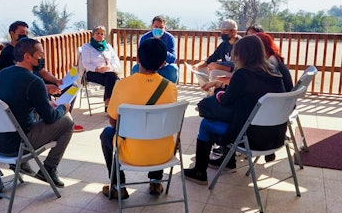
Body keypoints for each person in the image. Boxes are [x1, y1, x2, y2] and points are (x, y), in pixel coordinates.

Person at [184, 35, 287, 184]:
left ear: (242, 55)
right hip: (275, 136)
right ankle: (228, 160)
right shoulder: (275, 73)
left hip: (250, 137)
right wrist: (221, 85)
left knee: (207, 123)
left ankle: (200, 171)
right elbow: (245, 92)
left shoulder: (243, 74)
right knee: (230, 115)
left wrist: (217, 90)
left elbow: (225, 100)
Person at [0, 38, 75, 188]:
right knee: (67, 122)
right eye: (40, 54)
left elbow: (17, 101)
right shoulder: (34, 81)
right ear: (28, 57)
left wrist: (44, 102)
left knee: (33, 114)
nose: (42, 58)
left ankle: (21, 165)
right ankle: (49, 168)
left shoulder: (2, 74)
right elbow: (50, 117)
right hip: (16, 144)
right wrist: (64, 108)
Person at [98, 37, 178, 200]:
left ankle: (117, 186)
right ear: (163, 64)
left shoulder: (122, 85)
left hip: (132, 155)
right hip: (164, 153)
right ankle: (156, 181)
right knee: (157, 131)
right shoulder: (171, 88)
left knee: (106, 134)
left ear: (138, 59)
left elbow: (114, 122)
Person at [81, 25, 123, 110]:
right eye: (97, 33)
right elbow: (86, 63)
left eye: (102, 34)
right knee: (113, 80)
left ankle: (108, 103)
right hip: (93, 73)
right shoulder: (87, 47)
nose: (100, 35)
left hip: (108, 72)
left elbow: (116, 60)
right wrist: (97, 68)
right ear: (93, 35)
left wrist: (110, 67)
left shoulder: (108, 47)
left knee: (110, 76)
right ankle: (109, 104)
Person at [132, 15, 179, 83]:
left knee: (173, 69)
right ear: (152, 27)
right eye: (156, 27)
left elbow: (173, 59)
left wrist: (160, 48)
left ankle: (170, 89)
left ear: (165, 28)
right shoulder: (145, 38)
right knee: (135, 68)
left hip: (163, 67)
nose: (158, 29)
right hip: (148, 67)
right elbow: (140, 56)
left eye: (161, 27)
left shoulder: (170, 38)